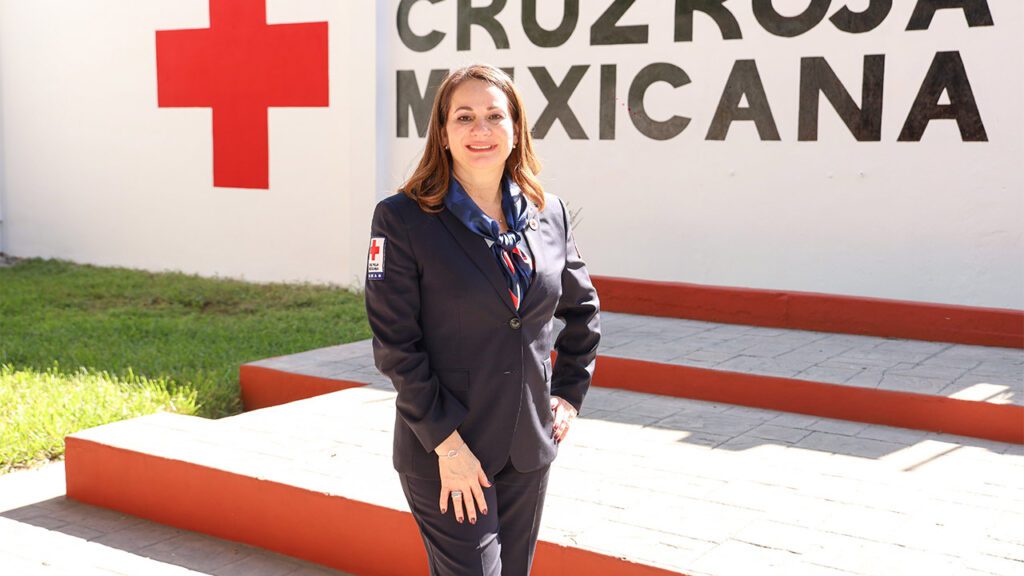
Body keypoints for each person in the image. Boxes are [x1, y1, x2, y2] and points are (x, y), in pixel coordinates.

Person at [364, 63, 600, 576]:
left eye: (495, 116)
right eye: (464, 116)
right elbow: (396, 346)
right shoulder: (401, 219)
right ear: (443, 133)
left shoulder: (548, 211)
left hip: (527, 445)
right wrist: (448, 447)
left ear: (516, 130)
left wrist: (567, 394)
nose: (481, 130)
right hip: (446, 450)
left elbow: (582, 313)